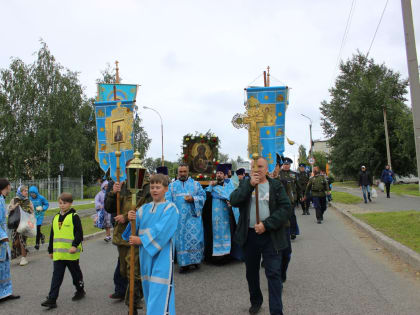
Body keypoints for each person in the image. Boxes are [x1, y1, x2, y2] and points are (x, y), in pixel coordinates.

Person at [230, 157, 291, 315]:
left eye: (260, 166)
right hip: (250, 236)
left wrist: (267, 224)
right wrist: (249, 186)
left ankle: (276, 311)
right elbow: (234, 200)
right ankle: (256, 300)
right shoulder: (245, 184)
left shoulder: (276, 185)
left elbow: (285, 208)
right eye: (253, 166)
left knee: (273, 273)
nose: (257, 169)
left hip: (271, 236)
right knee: (251, 272)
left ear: (266, 168)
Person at [124, 174, 179, 315]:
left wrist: (141, 240)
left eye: (158, 187)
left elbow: (162, 230)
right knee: (149, 290)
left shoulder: (171, 208)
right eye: (152, 187)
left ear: (166, 189)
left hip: (162, 257)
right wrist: (131, 219)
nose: (154, 190)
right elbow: (133, 231)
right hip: (145, 257)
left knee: (160, 290)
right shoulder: (143, 209)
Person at [104, 170, 151, 311]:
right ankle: (134, 296)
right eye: (130, 170)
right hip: (122, 235)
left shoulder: (147, 187)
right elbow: (109, 207)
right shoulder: (122, 185)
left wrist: (126, 216)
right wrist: (113, 193)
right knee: (124, 271)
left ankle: (133, 303)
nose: (133, 173)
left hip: (138, 233)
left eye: (136, 170)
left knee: (134, 271)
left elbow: (148, 208)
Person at [41, 192, 85, 309]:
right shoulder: (55, 217)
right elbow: (52, 235)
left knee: (76, 275)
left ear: (70, 203)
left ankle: (80, 290)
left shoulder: (74, 216)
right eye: (60, 203)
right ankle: (52, 299)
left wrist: (74, 245)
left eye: (64, 203)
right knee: (56, 277)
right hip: (59, 254)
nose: (62, 205)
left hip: (71, 254)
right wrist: (50, 250)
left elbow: (79, 233)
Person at [165, 163, 206, 273]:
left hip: (193, 218)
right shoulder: (172, 186)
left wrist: (193, 199)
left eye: (184, 171)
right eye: (180, 172)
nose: (182, 173)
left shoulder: (196, 184)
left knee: (195, 239)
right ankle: (184, 264)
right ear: (178, 173)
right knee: (181, 241)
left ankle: (196, 261)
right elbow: (167, 201)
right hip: (179, 220)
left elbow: (203, 196)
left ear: (188, 172)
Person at [203, 164, 237, 264]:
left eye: (221, 173)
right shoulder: (212, 186)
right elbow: (206, 197)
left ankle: (226, 257)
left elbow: (233, 197)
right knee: (214, 235)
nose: (219, 175)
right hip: (214, 217)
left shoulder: (229, 186)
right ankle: (214, 259)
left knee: (227, 234)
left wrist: (231, 202)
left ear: (225, 175)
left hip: (226, 216)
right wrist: (210, 187)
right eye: (217, 173)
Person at [0, 178, 20, 302]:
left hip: (3, 237)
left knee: (5, 265)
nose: (11, 188)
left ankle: (6, 293)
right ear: (7, 186)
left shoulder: (2, 199)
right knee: (2, 265)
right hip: (1, 238)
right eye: (10, 186)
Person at [8, 185, 34, 266]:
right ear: (20, 191)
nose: (26, 192)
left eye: (27, 191)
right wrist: (14, 206)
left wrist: (31, 209)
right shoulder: (14, 200)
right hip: (16, 223)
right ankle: (18, 252)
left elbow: (32, 212)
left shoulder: (28, 201)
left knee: (22, 240)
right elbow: (9, 209)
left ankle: (23, 258)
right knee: (16, 242)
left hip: (24, 223)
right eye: (25, 191)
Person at [278, 157, 300, 239]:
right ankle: (283, 232)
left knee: (291, 215)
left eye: (287, 164)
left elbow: (298, 186)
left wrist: (300, 196)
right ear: (282, 165)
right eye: (284, 164)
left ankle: (293, 232)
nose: (286, 166)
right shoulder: (279, 174)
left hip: (291, 198)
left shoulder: (294, 174)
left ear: (290, 165)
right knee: (283, 216)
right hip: (281, 198)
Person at [28, 186, 49, 250]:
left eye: (33, 193)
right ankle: (42, 235)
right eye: (31, 193)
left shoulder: (41, 198)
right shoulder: (30, 199)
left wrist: (42, 208)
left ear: (36, 193)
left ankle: (37, 244)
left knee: (38, 228)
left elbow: (46, 204)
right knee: (33, 229)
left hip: (40, 216)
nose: (32, 195)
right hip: (33, 216)